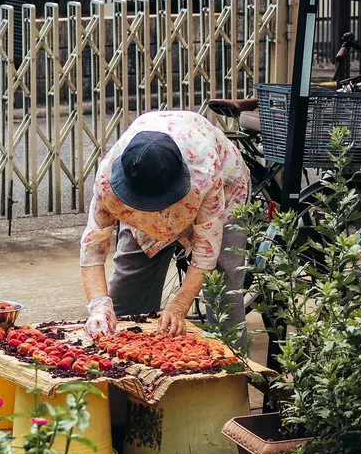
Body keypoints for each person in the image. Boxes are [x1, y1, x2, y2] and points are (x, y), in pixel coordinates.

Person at [79, 110, 251, 342]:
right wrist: (99, 304)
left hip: (225, 189)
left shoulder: (205, 172)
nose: (155, 210)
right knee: (127, 297)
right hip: (147, 183)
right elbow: (93, 247)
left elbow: (206, 252)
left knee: (223, 290)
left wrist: (179, 306)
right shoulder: (107, 180)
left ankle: (234, 371)